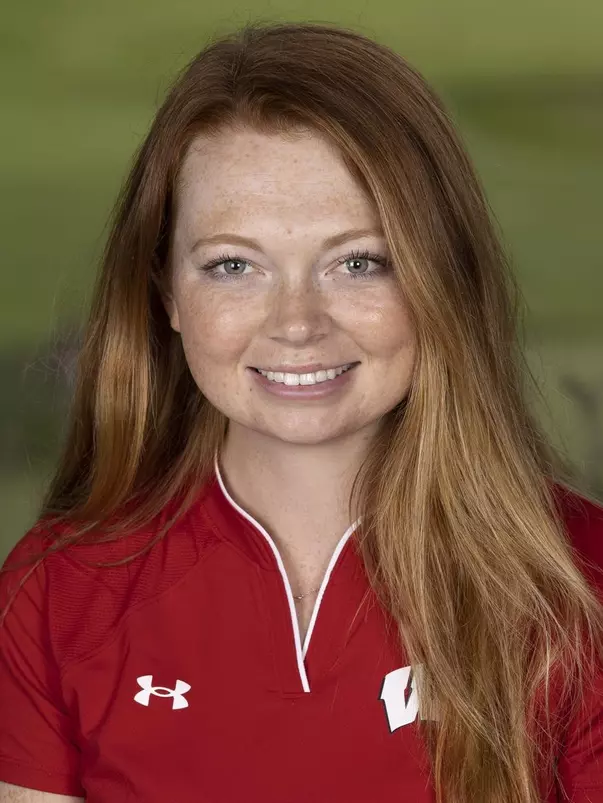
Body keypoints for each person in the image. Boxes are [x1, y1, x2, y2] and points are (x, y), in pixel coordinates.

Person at [1, 19, 603, 803]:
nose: (295, 322)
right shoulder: (59, 592)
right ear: (165, 293)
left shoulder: (578, 584)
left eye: (358, 261)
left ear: (439, 275)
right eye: (232, 265)